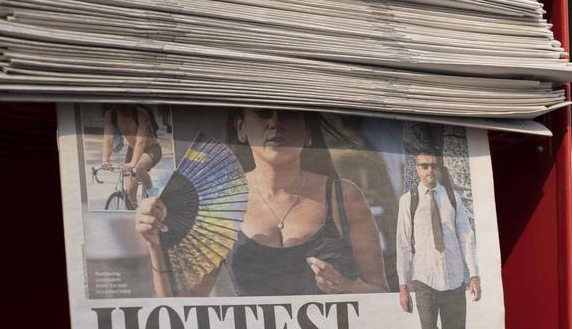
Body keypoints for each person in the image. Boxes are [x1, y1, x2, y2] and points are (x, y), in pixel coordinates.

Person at [134, 108, 387, 297]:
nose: (275, 124)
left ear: (308, 131)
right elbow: (182, 307)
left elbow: (380, 292)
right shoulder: (220, 202)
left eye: (288, 114)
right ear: (242, 129)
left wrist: (348, 288)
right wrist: (156, 246)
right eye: (264, 113)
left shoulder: (344, 196)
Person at [395, 148, 480, 329]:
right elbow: (403, 245)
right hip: (425, 281)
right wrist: (403, 288)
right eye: (424, 166)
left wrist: (474, 275)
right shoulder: (408, 200)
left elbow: (467, 237)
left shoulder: (452, 197)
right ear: (417, 168)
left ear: (438, 168)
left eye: (433, 166)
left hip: (454, 281)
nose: (429, 170)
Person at [101, 104, 162, 206]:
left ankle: (152, 191)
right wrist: (105, 160)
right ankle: (134, 209)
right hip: (132, 149)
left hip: (152, 148)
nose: (125, 110)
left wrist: (133, 162)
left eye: (127, 106)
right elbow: (108, 138)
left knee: (138, 167)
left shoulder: (141, 114)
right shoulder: (110, 115)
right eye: (121, 107)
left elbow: (141, 141)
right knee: (130, 190)